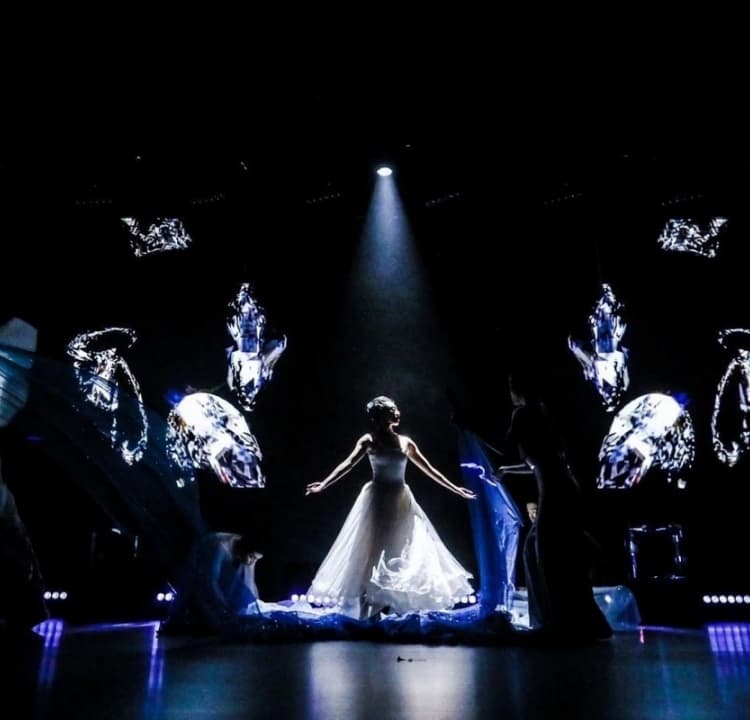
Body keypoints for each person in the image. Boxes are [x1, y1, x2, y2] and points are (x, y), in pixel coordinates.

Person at [305, 396, 476, 619]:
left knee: (404, 550)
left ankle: (398, 608)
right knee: (371, 552)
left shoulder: (405, 442)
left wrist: (455, 489)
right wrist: (323, 484)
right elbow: (348, 464)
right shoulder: (369, 440)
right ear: (379, 415)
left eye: (396, 409)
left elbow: (430, 470)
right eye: (391, 410)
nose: (397, 413)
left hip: (400, 500)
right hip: (377, 500)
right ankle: (367, 612)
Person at [498, 370, 612, 640]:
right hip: (562, 486)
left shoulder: (523, 414)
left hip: (556, 490)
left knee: (551, 555)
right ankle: (562, 619)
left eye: (512, 385)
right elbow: (540, 462)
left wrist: (467, 428)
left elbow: (508, 447)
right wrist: (507, 471)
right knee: (537, 549)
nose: (510, 392)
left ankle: (560, 623)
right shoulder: (543, 412)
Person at [162, 531, 263, 635]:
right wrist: (224, 606)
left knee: (234, 591)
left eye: (256, 559)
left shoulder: (247, 553)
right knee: (190, 587)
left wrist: (257, 605)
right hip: (201, 555)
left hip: (222, 558)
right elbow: (210, 582)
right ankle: (172, 622)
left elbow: (250, 580)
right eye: (252, 557)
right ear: (245, 549)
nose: (252, 562)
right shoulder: (220, 547)